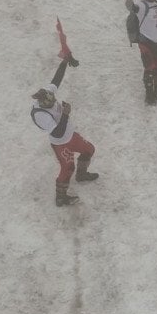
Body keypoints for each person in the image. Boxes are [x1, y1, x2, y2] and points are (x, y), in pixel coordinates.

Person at [31, 56, 99, 206]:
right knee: (68, 168)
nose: (55, 104)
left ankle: (81, 175)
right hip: (61, 143)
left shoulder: (47, 94)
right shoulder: (40, 115)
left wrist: (64, 62)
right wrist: (66, 114)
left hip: (71, 135)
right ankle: (60, 196)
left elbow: (56, 80)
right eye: (51, 104)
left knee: (89, 150)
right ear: (43, 104)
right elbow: (57, 133)